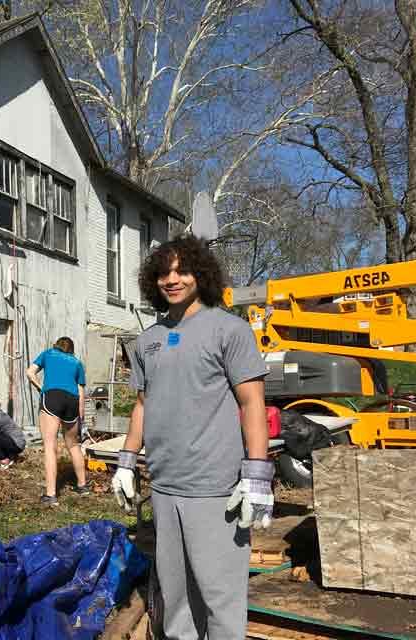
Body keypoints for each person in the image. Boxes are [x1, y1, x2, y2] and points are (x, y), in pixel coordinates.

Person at [111, 235, 271, 640]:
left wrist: (257, 473)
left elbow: (252, 402)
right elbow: (144, 405)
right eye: (164, 272)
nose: (172, 279)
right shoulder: (147, 340)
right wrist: (127, 461)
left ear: (201, 273)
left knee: (220, 596)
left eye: (181, 270)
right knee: (176, 596)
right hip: (165, 487)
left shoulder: (228, 330)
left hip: (215, 488)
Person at [26, 336, 88, 507]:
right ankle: (83, 486)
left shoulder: (48, 354)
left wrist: (41, 388)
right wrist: (80, 413)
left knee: (49, 445)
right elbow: (81, 390)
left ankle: (51, 495)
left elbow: (30, 372)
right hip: (72, 401)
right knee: (73, 445)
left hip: (52, 397)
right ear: (71, 349)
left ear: (57, 345)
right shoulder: (76, 362)